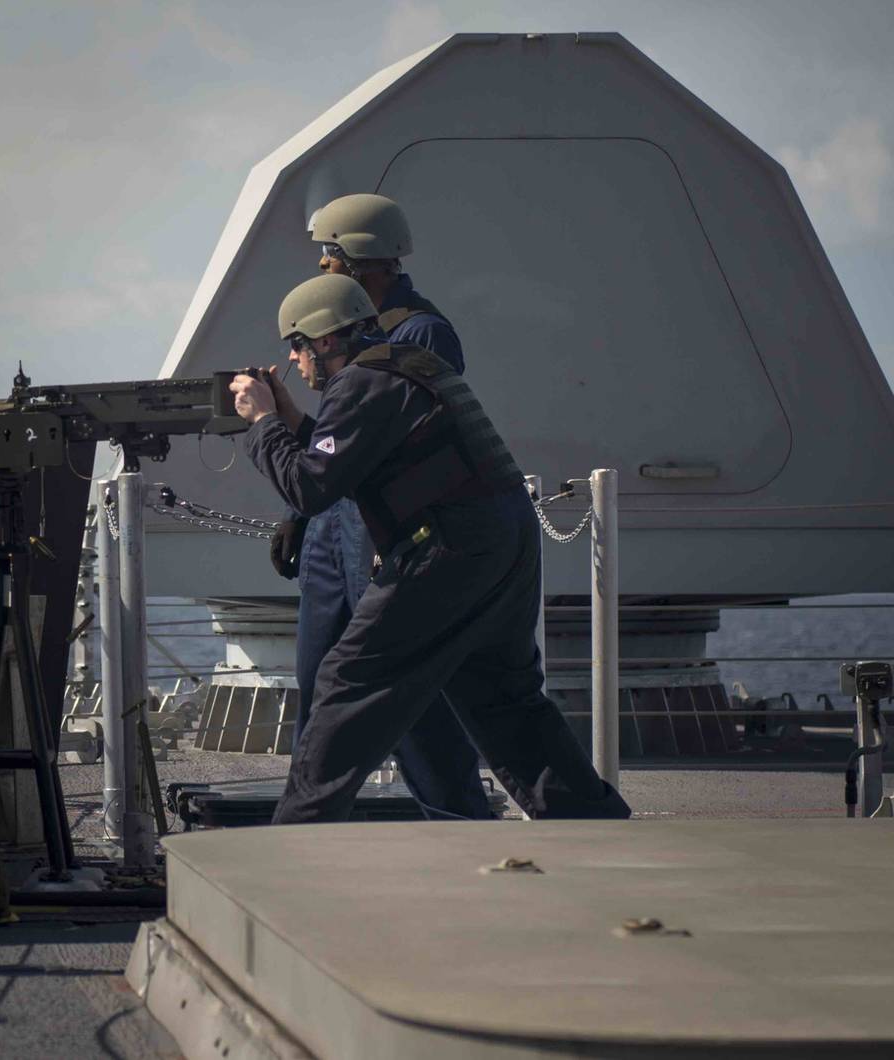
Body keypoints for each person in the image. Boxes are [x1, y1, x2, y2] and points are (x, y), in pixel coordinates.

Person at [230, 273, 630, 823]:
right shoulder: (401, 366)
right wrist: (290, 420)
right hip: (503, 539)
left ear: (324, 340)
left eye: (296, 345)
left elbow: (310, 487)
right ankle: (591, 822)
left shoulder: (362, 383)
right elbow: (345, 454)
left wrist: (261, 423)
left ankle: (296, 835)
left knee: (347, 680)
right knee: (503, 696)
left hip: (448, 548)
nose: (294, 362)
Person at [269, 192, 494, 820]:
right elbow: (345, 435)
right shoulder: (346, 329)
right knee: (319, 690)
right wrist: (303, 505)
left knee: (409, 696)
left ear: (358, 258)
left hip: (380, 528)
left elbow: (397, 439)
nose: (321, 267)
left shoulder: (421, 332)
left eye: (329, 255)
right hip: (333, 522)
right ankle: (307, 828)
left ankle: (455, 822)